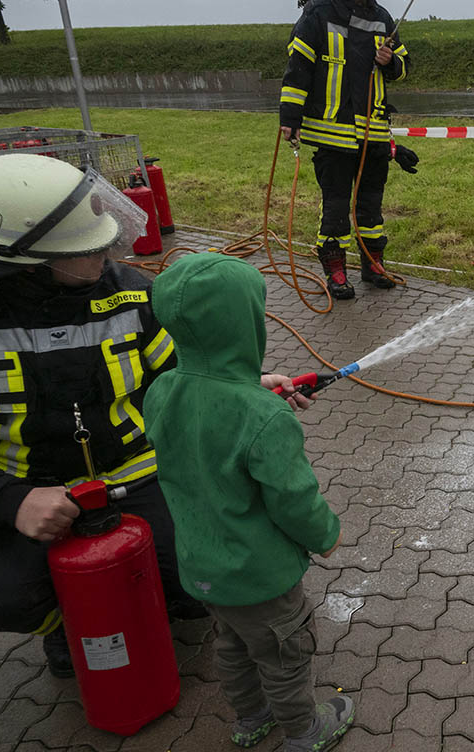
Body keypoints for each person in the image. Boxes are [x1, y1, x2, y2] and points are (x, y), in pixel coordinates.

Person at [0, 153, 312, 680]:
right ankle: (66, 625)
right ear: (27, 259)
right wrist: (8, 499)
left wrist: (240, 390)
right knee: (5, 593)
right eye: (88, 243)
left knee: (201, 577)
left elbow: (180, 370)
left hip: (138, 477)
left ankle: (154, 594)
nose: (106, 249)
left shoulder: (130, 295)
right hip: (28, 495)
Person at [144, 252, 352, 752]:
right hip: (261, 575)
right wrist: (325, 534)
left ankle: (250, 719)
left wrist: (245, 390)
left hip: (203, 567)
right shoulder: (265, 418)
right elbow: (292, 498)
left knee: (233, 646)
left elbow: (206, 419)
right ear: (244, 323)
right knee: (283, 654)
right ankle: (305, 732)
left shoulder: (161, 390)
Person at [279, 0, 417, 299]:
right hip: (333, 133)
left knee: (371, 205)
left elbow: (403, 66)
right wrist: (290, 118)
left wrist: (391, 61)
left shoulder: (384, 18)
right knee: (337, 205)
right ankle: (336, 271)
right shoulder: (318, 14)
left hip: (373, 133)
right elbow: (299, 69)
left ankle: (373, 264)